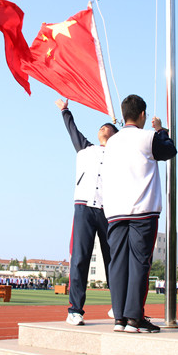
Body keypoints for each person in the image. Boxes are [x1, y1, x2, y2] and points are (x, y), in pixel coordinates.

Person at [102, 94, 177, 333]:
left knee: (117, 264)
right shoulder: (147, 137)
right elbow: (170, 150)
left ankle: (119, 319)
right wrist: (161, 130)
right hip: (142, 210)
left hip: (116, 211)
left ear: (124, 114)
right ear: (142, 115)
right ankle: (134, 318)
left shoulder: (112, 142)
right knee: (139, 263)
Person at [55, 99, 118, 326]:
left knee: (113, 260)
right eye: (101, 127)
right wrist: (65, 111)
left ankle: (119, 306)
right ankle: (75, 310)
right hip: (84, 208)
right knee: (80, 258)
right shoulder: (86, 149)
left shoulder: (120, 155)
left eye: (107, 127)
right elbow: (72, 130)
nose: (103, 128)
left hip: (109, 211)